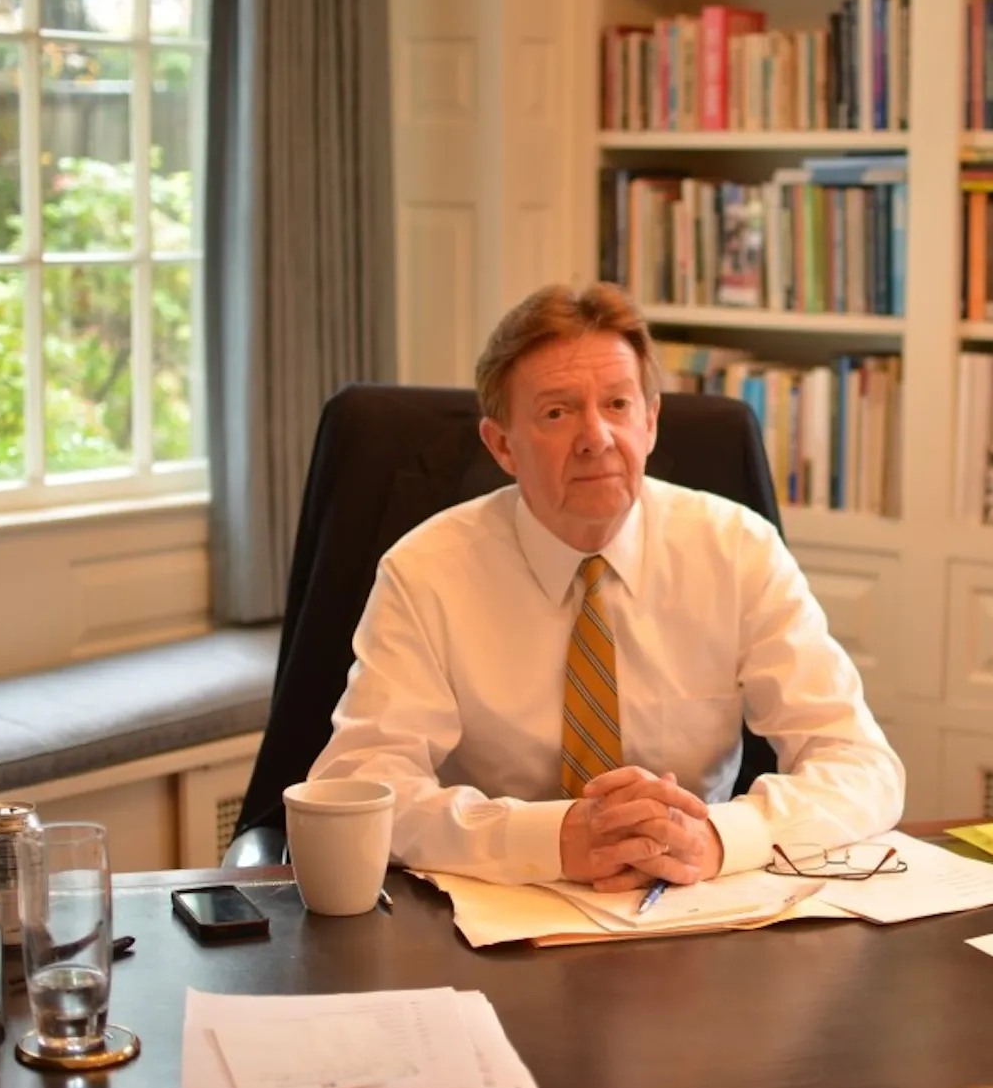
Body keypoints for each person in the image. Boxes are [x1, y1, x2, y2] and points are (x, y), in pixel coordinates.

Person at [307, 281, 905, 890]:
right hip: (499, 910)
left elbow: (861, 765)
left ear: (650, 422)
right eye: (557, 413)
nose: (596, 438)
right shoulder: (426, 571)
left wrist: (722, 837)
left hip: (691, 907)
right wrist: (546, 838)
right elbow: (359, 786)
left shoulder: (736, 550)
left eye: (618, 405)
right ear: (502, 445)